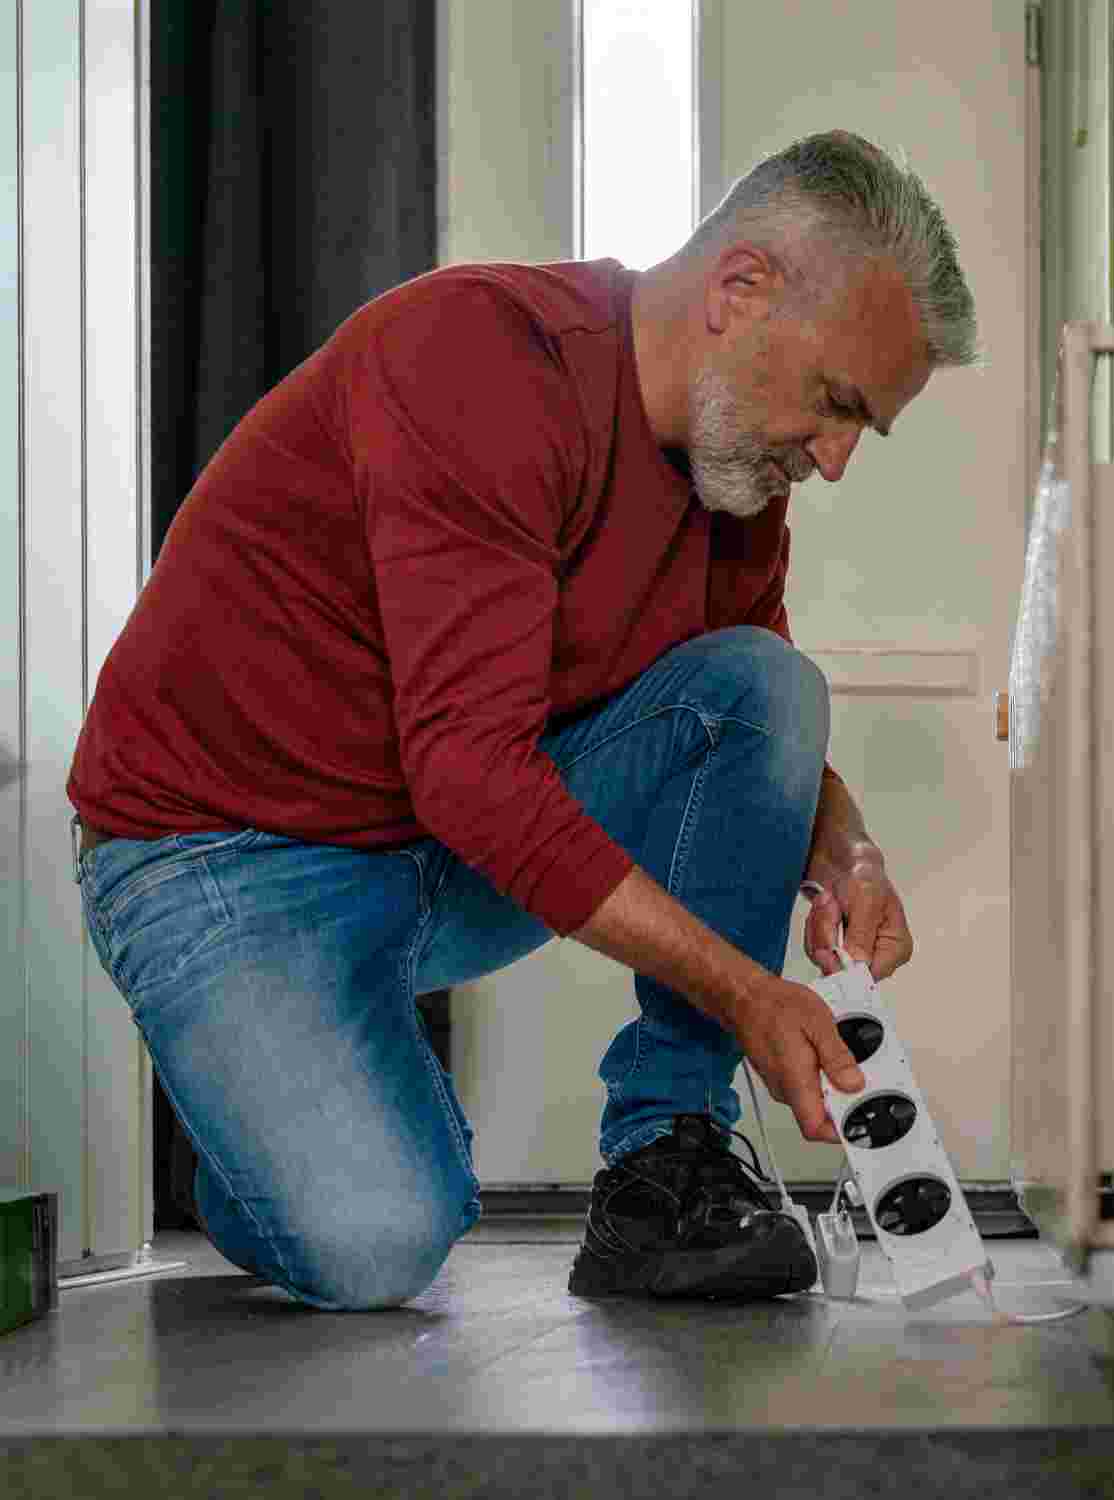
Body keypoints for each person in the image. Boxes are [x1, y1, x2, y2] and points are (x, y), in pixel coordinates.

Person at [67, 129, 979, 1311]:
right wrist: (750, 993)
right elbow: (471, 774)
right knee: (383, 1245)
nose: (839, 457)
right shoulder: (478, 362)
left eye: (868, 428)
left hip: (426, 852)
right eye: (836, 403)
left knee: (765, 686)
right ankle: (258, 1128)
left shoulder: (737, 479)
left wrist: (848, 854)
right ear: (740, 291)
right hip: (218, 858)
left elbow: (751, 725)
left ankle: (667, 1159)